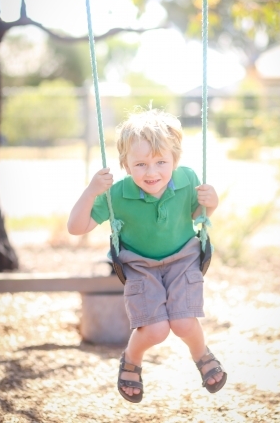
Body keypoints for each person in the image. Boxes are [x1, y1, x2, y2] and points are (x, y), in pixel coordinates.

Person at [67, 108, 227, 403]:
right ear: (125, 164)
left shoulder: (188, 178)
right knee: (154, 329)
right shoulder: (117, 194)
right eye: (140, 164)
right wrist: (91, 192)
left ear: (175, 160)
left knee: (183, 323)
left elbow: (195, 214)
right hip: (140, 266)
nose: (151, 172)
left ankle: (201, 354)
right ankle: (132, 358)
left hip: (183, 259)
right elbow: (76, 228)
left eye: (160, 162)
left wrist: (211, 205)